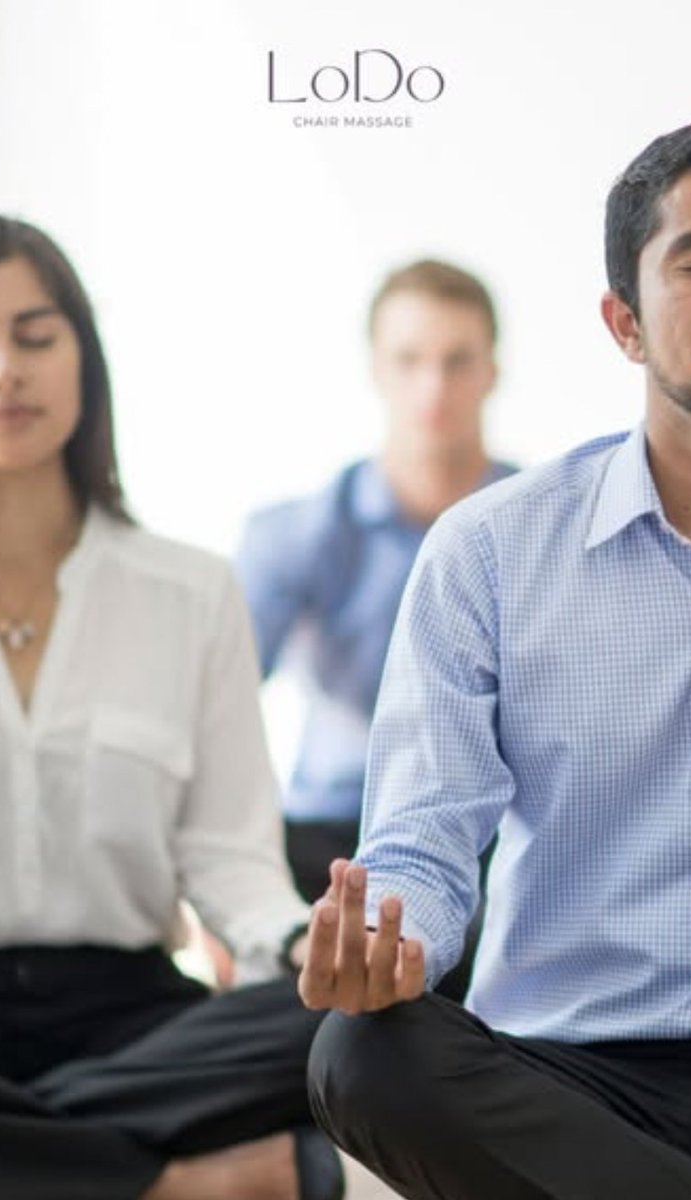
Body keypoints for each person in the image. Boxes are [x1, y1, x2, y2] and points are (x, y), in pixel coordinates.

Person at [300, 115, 691, 1200]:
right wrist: (390, 937)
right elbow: (420, 841)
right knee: (361, 1054)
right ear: (622, 321)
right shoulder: (490, 551)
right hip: (559, 1081)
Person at [0, 214, 340, 1200]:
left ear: (83, 359)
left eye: (35, 336)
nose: (5, 370)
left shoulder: (192, 592)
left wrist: (307, 948)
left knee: (369, 1024)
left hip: (130, 1020)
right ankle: (160, 1185)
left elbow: (232, 859)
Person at [235, 260, 515, 911]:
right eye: (409, 359)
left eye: (456, 361)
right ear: (375, 370)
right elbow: (214, 709)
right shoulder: (297, 533)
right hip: (328, 836)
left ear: (491, 372)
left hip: (491, 842)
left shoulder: (543, 531)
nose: (432, 386)